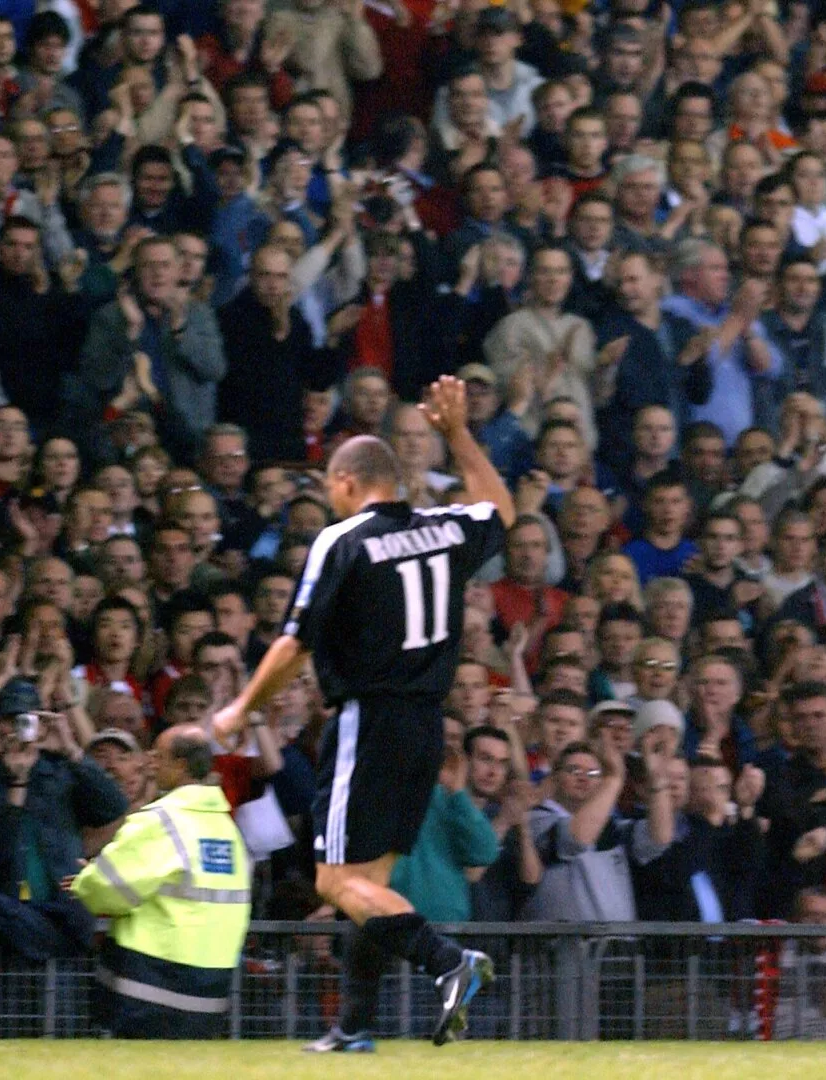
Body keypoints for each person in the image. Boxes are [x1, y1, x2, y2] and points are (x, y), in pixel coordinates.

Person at [211, 375, 514, 1051]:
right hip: (427, 726)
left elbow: (293, 644)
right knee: (368, 883)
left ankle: (449, 964)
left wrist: (239, 707)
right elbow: (502, 510)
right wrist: (458, 434)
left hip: (367, 721)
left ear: (345, 481)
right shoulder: (444, 528)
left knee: (337, 880)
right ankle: (353, 1028)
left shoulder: (342, 540)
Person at [70, 724, 252, 1038]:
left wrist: (85, 879)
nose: (149, 762)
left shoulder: (161, 820)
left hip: (148, 987)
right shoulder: (227, 829)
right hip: (211, 993)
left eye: (159, 755)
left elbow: (107, 889)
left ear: (181, 765)